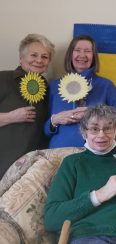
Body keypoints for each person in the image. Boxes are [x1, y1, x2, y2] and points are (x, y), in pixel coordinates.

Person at [44, 104, 116, 244]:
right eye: (94, 129)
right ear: (84, 132)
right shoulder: (72, 163)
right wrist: (98, 195)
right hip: (89, 236)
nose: (101, 134)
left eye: (107, 128)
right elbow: (51, 218)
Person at [44, 35, 116, 148]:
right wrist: (55, 120)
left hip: (95, 155)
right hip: (59, 152)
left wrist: (93, 115)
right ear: (70, 55)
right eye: (77, 50)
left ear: (93, 56)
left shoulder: (106, 85)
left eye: (87, 51)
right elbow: (44, 130)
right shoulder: (54, 86)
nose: (82, 55)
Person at [0, 33, 55, 179]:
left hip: (32, 170)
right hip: (3, 164)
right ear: (21, 58)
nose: (39, 60)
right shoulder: (2, 79)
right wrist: (11, 117)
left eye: (44, 57)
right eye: (34, 55)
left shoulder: (48, 89)